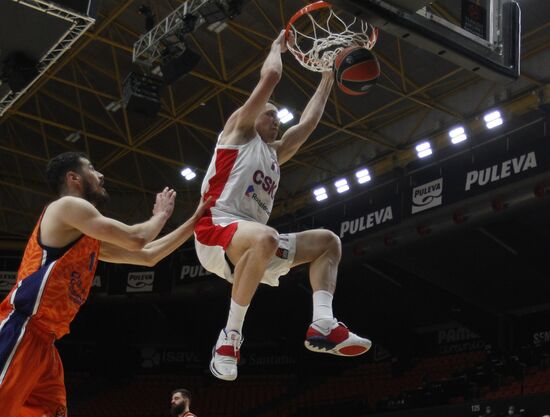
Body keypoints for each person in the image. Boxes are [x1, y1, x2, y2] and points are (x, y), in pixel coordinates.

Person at [194, 30, 372, 382]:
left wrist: (326, 77)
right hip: (215, 225)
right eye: (270, 114)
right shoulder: (237, 132)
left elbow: (307, 124)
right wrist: (276, 48)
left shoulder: (275, 154)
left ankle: (322, 323)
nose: (277, 120)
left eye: (277, 117)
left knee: (327, 242)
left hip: (254, 238)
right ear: (253, 114)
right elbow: (272, 76)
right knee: (266, 237)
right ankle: (229, 340)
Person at [0, 152, 208, 417]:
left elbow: (148, 256)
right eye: (92, 168)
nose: (100, 175)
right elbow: (137, 238)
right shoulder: (67, 206)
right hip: (22, 328)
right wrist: (161, 215)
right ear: (73, 177)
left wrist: (194, 223)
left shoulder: (85, 236)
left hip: (45, 341)